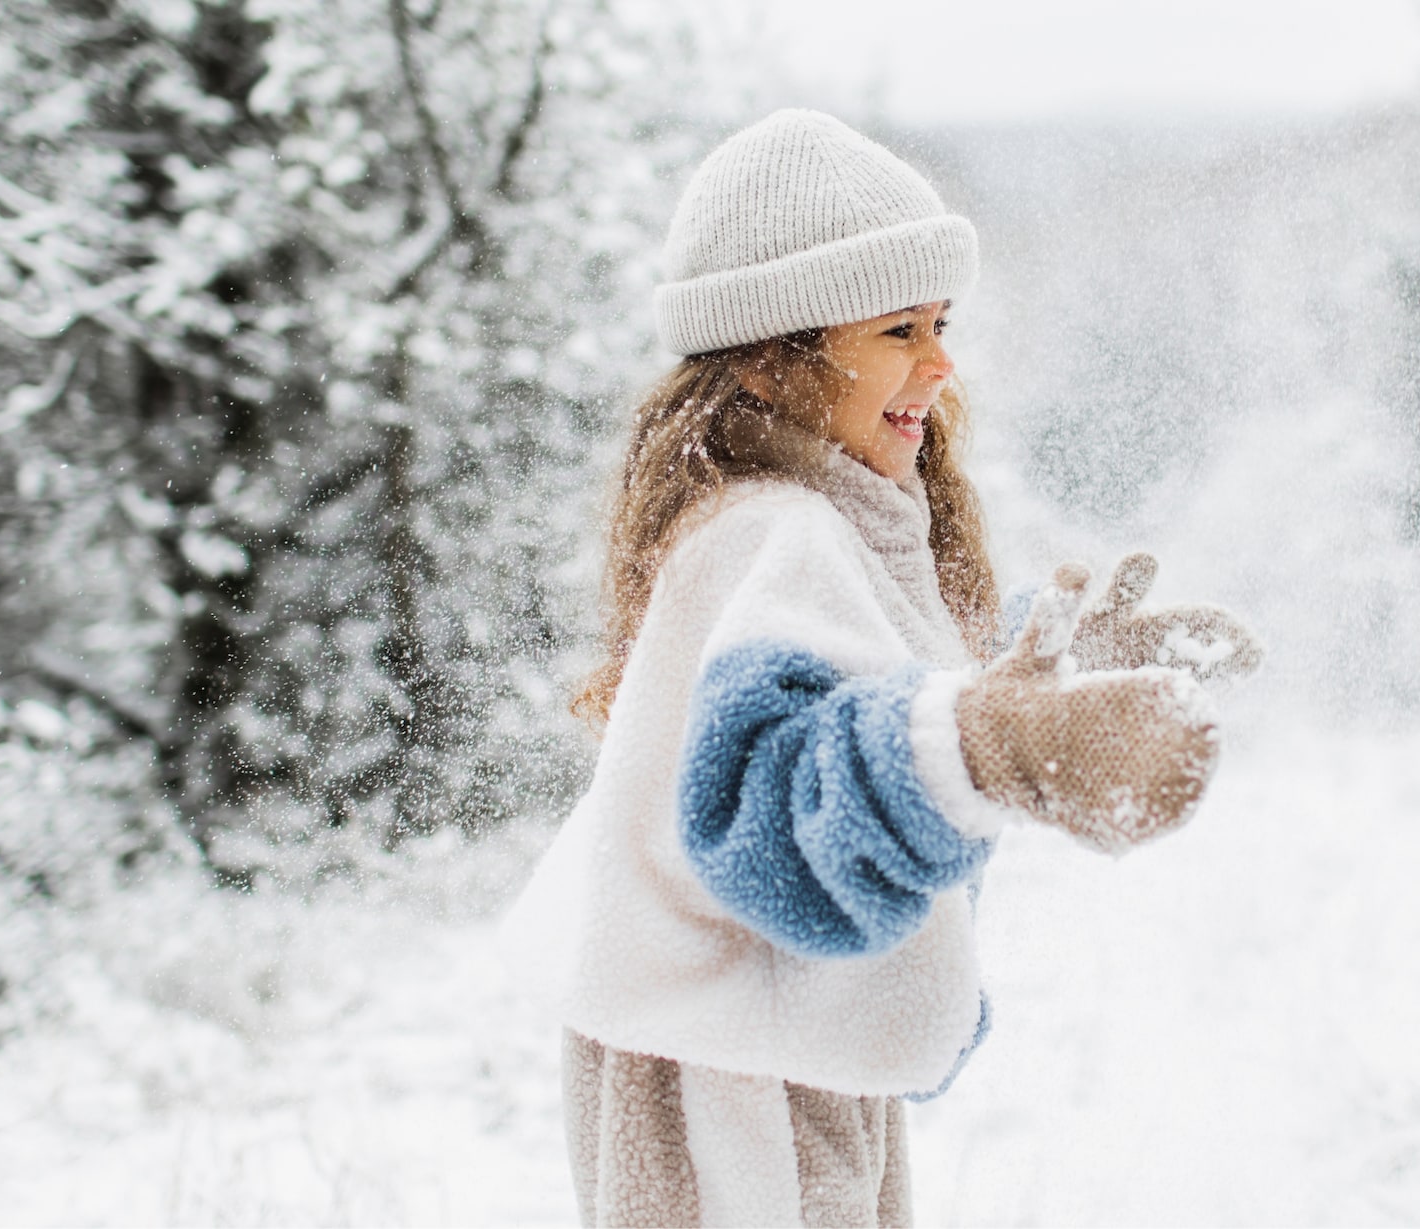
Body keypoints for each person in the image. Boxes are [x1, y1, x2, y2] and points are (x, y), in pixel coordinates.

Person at [501, 109, 1262, 1228]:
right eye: (898, 328)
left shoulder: (819, 519)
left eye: (940, 321)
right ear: (770, 359)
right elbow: (771, 786)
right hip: (731, 1085)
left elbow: (856, 684)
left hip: (763, 1043)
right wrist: (993, 740)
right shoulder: (766, 534)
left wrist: (1027, 674)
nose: (939, 360)